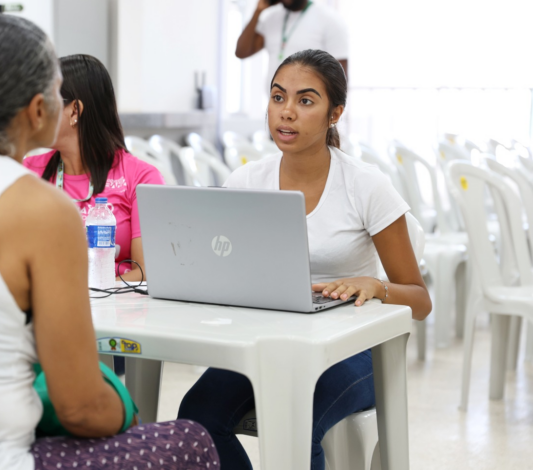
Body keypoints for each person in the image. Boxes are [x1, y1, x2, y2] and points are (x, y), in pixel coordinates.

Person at [0, 15, 217, 470]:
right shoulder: (41, 206)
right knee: (191, 440)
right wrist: (125, 407)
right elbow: (82, 409)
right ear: (37, 108)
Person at [177, 49, 431, 470]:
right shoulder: (247, 182)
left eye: (305, 101)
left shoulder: (366, 186)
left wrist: (377, 287)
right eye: (278, 98)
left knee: (297, 420)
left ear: (335, 113)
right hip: (272, 340)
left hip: (358, 350)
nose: (287, 112)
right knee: (197, 416)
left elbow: (420, 301)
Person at [24, 54, 165, 283]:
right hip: (47, 301)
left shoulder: (142, 178)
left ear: (75, 111)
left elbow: (147, 273)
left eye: (45, 103)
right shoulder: (28, 173)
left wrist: (88, 291)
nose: (35, 113)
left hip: (118, 309)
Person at [236, 0, 348, 96]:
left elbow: (341, 76)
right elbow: (241, 51)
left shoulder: (329, 19)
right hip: (277, 106)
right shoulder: (271, 18)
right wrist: (258, 11)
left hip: (309, 109)